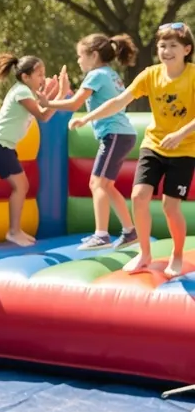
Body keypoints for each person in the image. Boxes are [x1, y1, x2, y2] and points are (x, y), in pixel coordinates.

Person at [72, 21, 195, 277]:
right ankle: (145, 254)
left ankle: (177, 255)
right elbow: (119, 101)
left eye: (173, 45)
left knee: (170, 208)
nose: (166, 50)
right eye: (162, 45)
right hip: (154, 145)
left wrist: (181, 133)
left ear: (187, 49)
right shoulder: (150, 75)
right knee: (139, 196)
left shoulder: (192, 75)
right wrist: (88, 117)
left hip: (184, 150)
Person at [43, 34, 139, 250]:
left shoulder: (95, 75)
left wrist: (47, 102)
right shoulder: (111, 74)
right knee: (107, 185)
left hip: (115, 135)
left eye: (80, 56)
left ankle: (101, 235)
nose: (78, 61)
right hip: (121, 134)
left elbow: (76, 102)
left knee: (97, 184)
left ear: (94, 55)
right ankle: (130, 231)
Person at [0, 53, 63, 246]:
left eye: (44, 74)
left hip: (3, 145)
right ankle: (13, 231)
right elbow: (43, 115)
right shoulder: (22, 92)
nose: (43, 78)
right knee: (21, 186)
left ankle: (16, 230)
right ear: (25, 77)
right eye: (39, 75)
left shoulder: (25, 91)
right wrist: (59, 95)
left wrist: (53, 95)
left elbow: (43, 107)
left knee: (22, 186)